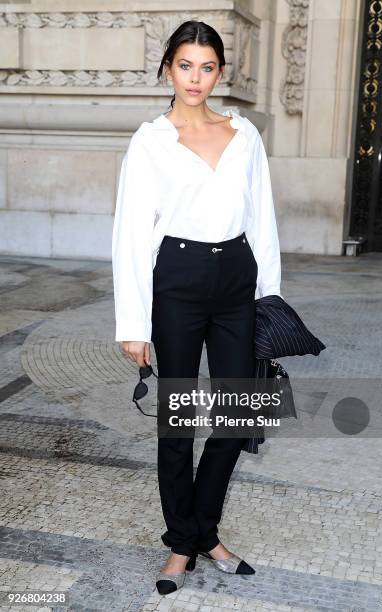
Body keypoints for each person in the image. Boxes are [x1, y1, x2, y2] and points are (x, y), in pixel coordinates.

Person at [111, 20, 282, 595]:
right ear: (167, 68)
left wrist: (269, 303)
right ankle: (184, 541)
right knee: (178, 423)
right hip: (177, 281)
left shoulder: (245, 134)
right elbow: (131, 232)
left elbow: (262, 222)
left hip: (237, 279)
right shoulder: (149, 140)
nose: (196, 78)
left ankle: (203, 530)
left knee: (237, 416)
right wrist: (133, 323)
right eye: (186, 65)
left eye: (207, 67)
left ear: (220, 73)